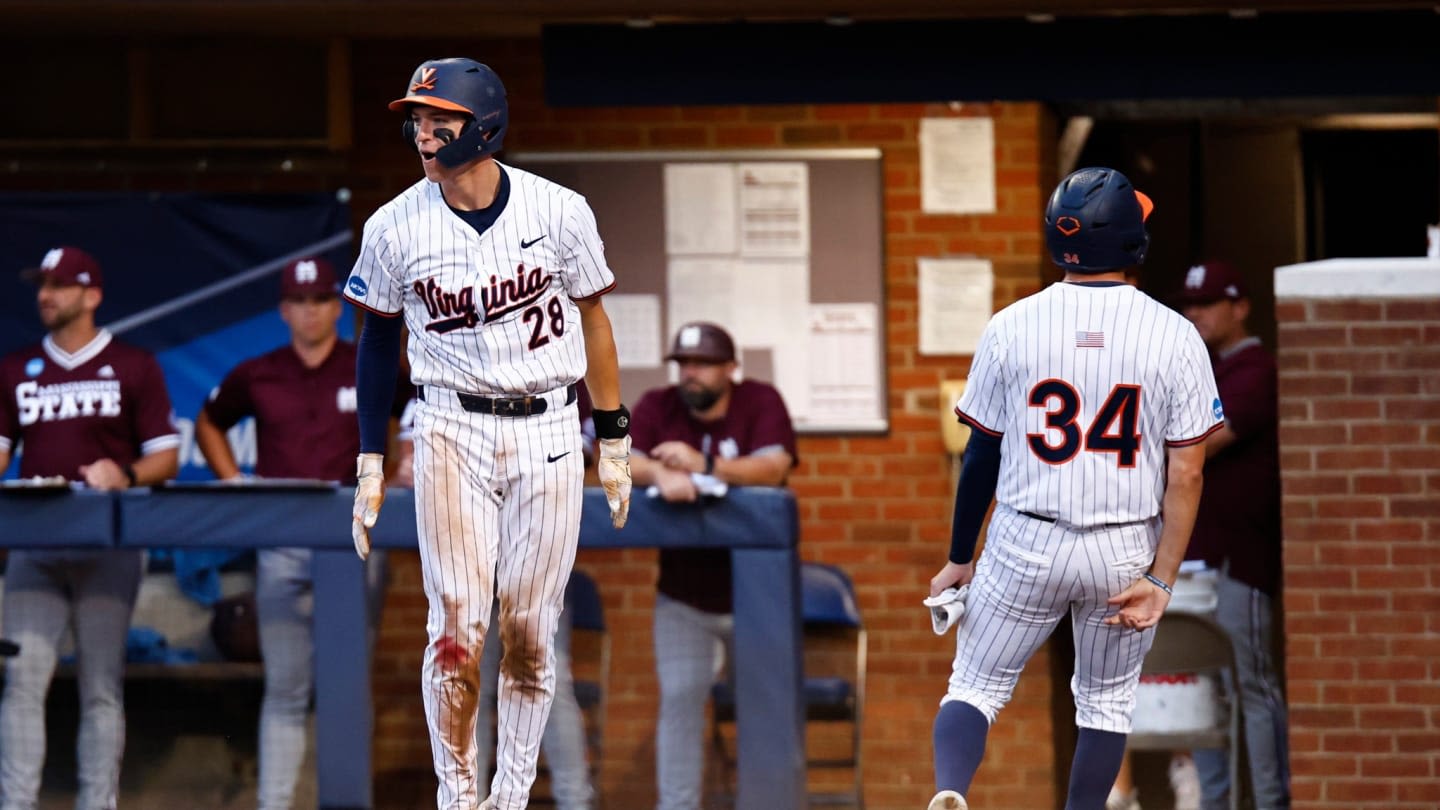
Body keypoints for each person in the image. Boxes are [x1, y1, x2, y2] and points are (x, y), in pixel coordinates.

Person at [342, 57, 632, 810]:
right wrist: (372, 455)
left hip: (550, 427)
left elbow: (595, 321)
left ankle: (511, 796)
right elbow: (376, 343)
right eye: (417, 118)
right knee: (460, 623)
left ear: (487, 126)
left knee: (534, 628)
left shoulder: (560, 211)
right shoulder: (393, 225)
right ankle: (457, 796)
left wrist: (617, 435)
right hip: (448, 424)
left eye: (442, 119)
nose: (424, 132)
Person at [926, 167, 1222, 810]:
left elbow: (982, 452)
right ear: (1130, 242)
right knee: (1106, 702)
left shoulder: (1010, 324)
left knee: (976, 685)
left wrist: (959, 554)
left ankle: (950, 790)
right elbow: (1189, 471)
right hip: (1122, 543)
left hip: (1026, 535)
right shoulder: (1175, 333)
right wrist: (1163, 580)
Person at [193, 256, 396, 810]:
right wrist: (234, 481)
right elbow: (209, 421)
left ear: (337, 305)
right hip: (282, 543)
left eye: (322, 300)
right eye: (300, 302)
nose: (311, 311)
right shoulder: (258, 371)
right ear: (285, 310)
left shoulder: (369, 364)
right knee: (285, 686)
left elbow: (417, 417)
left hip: (356, 539)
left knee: (348, 685)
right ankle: (275, 804)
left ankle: (351, 800)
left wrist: (396, 478)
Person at [0, 246, 181, 809]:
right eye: (41, 285)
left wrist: (123, 472)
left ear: (91, 295)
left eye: (58, 284)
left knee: (100, 686)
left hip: (108, 546)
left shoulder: (132, 364)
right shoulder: (15, 368)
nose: (45, 294)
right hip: (36, 547)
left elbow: (166, 456)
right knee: (23, 683)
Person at [627, 321, 797, 810]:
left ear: (730, 368)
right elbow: (617, 462)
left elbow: (774, 466)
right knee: (680, 704)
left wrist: (701, 464)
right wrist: (660, 470)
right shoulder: (657, 405)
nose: (690, 374)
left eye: (702, 364)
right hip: (684, 596)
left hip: (758, 601)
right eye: (683, 364)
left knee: (764, 710)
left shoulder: (759, 401)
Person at [1176, 260, 1291, 810]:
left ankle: (1272, 803)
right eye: (1189, 304)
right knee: (1205, 692)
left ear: (1239, 306)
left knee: (1253, 687)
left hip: (1240, 561)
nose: (1194, 313)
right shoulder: (1203, 369)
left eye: (1208, 302)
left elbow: (1201, 441)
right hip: (1196, 560)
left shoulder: (1256, 368)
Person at [474, 383, 597, 809]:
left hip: (534, 555)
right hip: (472, 561)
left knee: (548, 682)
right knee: (468, 683)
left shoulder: (560, 365)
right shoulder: (451, 353)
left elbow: (575, 453)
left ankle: (574, 802)